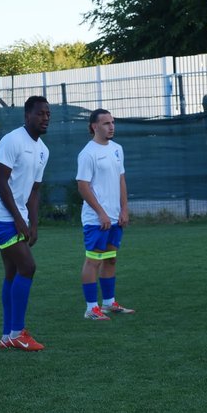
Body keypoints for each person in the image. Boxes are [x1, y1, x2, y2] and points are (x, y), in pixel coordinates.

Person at [0, 96, 50, 351]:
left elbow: (34, 191)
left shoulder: (44, 150)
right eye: (40, 113)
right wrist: (19, 219)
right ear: (27, 115)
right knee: (28, 266)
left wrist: (33, 223)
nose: (45, 118)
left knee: (13, 272)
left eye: (48, 114)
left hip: (15, 216)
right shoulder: (12, 140)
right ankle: (18, 333)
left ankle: (8, 335)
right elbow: (1, 182)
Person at [75, 109, 136, 320]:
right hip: (96, 219)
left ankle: (109, 303)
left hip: (115, 217)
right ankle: (91, 308)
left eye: (112, 122)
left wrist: (124, 209)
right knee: (93, 261)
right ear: (94, 126)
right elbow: (82, 186)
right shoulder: (88, 153)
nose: (111, 126)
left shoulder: (117, 149)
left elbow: (121, 180)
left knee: (110, 259)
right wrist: (101, 213)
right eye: (106, 123)